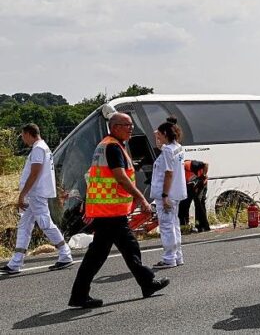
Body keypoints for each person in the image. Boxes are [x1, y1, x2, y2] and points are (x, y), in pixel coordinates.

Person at [68, 112, 169, 308]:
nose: (131, 128)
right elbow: (120, 177)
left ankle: (80, 294)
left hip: (107, 210)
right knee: (120, 249)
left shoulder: (107, 145)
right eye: (127, 125)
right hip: (110, 211)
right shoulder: (113, 147)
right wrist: (141, 198)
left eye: (131, 125)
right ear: (114, 127)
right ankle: (147, 282)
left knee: (108, 252)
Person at [1, 124, 73, 275]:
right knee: (24, 225)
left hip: (35, 193)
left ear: (29, 134)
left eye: (23, 135)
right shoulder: (43, 148)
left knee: (45, 223)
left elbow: (35, 173)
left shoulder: (38, 149)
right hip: (35, 193)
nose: (23, 139)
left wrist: (22, 194)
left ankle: (65, 253)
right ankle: (16, 262)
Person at [151, 120, 188, 268]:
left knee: (166, 226)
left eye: (159, 134)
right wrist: (158, 137)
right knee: (174, 224)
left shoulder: (167, 151)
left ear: (165, 134)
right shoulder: (178, 147)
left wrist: (164, 195)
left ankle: (169, 258)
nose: (158, 137)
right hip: (177, 192)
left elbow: (168, 173)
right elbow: (163, 147)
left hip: (167, 193)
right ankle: (178, 256)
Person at [179, 158, 210, 232]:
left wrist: (203, 175)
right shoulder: (177, 172)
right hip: (190, 185)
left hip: (201, 183)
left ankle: (201, 226)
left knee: (199, 204)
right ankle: (184, 225)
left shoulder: (189, 165)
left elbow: (206, 164)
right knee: (184, 204)